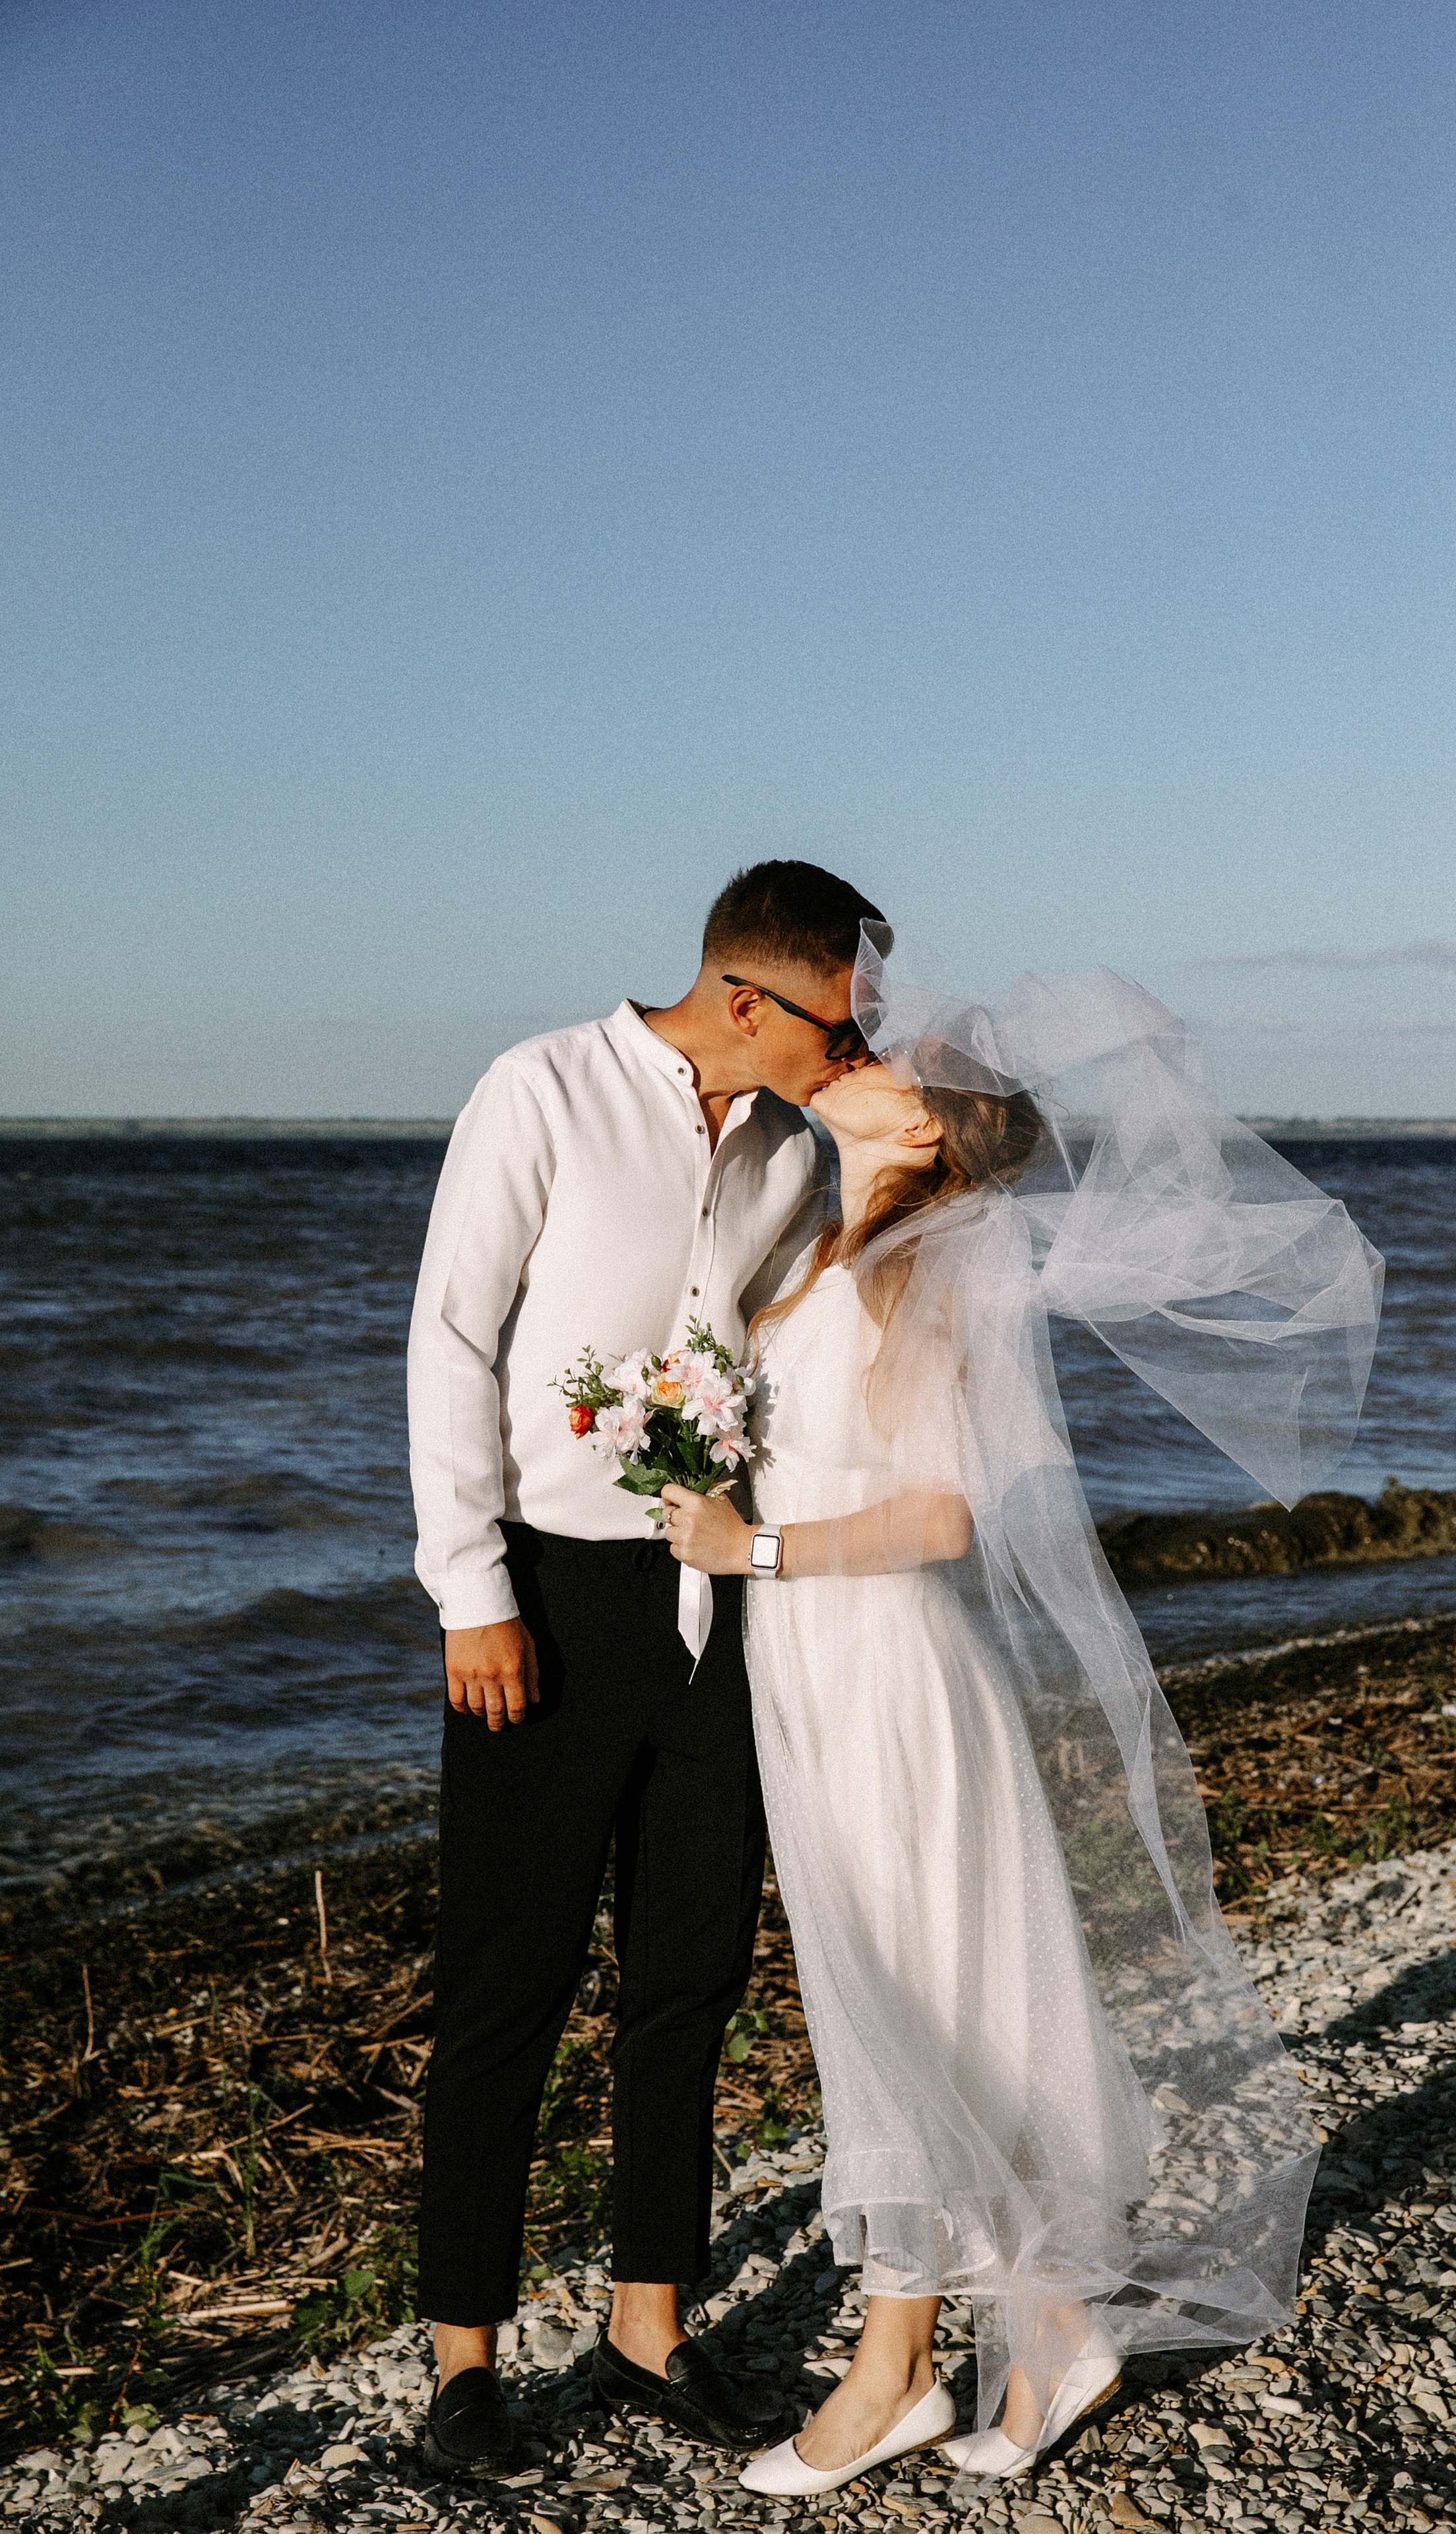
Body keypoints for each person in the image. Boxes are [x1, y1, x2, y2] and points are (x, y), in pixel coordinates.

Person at [658, 928, 1385, 2494]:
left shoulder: (927, 1268)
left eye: (872, 1061)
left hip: (887, 1670)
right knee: (922, 2003)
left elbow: (936, 1519)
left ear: (922, 1124)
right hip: (815, 1666)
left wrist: (750, 1542)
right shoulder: (824, 1239)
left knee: (912, 2006)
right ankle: (1049, 2324)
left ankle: (891, 2375)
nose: (844, 1066)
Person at [406, 860, 885, 2479]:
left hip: (713, 1614)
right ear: (747, 998)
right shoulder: (537, 1088)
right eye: (836, 1018)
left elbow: (798, 1340)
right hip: (540, 1603)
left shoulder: (790, 1152)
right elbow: (451, 1340)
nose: (850, 1046)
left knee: (687, 1979)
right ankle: (463, 2361)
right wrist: (471, 1591)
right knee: (506, 1988)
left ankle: (646, 2326)